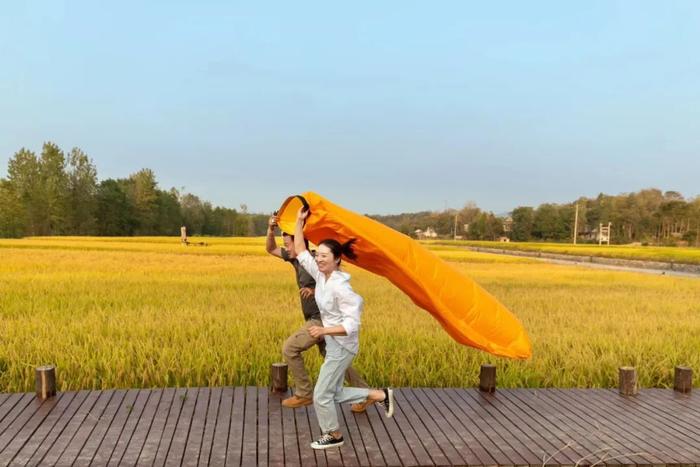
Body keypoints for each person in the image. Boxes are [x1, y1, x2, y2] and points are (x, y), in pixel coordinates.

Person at [293, 207, 394, 450]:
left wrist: (323, 331)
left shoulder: (341, 288)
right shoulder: (321, 275)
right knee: (333, 393)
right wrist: (299, 222)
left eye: (325, 256)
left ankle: (333, 434)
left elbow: (351, 325)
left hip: (342, 347)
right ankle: (379, 395)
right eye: (318, 254)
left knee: (321, 395)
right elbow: (300, 251)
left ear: (337, 259)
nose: (319, 259)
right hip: (334, 344)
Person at [266, 214, 371, 412]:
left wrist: (314, 291)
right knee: (334, 359)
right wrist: (274, 228)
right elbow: (271, 249)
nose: (287, 249)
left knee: (290, 348)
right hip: (322, 322)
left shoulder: (318, 263)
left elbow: (335, 288)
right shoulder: (299, 260)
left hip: (321, 321)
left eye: (288, 244)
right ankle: (365, 393)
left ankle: (304, 394)